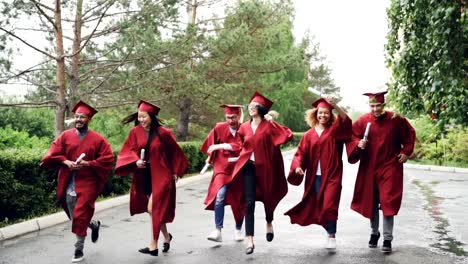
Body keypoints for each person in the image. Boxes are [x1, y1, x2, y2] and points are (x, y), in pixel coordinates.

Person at [40, 101, 114, 263]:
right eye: (77, 116)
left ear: (89, 119)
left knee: (80, 214)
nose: (79, 119)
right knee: (75, 216)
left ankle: (78, 249)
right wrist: (65, 162)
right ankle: (93, 225)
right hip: (68, 181)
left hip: (87, 182)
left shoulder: (98, 139)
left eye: (83, 117)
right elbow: (53, 153)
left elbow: (108, 158)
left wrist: (88, 164)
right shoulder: (65, 136)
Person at [115, 100, 188, 257]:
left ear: (152, 117)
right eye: (139, 117)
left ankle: (153, 245)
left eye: (144, 117)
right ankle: (167, 237)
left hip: (163, 174)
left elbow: (175, 152)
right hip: (145, 176)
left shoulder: (164, 133)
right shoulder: (135, 132)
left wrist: (175, 171)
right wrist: (135, 161)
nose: (141, 120)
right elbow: (128, 150)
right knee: (157, 209)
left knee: (152, 208)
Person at [346, 91, 415, 253]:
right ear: (369, 105)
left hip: (390, 166)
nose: (375, 109)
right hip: (369, 167)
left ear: (384, 105)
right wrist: (358, 144)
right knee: (371, 200)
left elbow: (409, 135)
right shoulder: (363, 121)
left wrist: (406, 151)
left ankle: (387, 238)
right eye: (372, 106)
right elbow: (351, 136)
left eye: (378, 106)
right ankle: (374, 233)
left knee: (387, 201)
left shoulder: (395, 119)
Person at [229, 91, 293, 255]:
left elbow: (287, 135)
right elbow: (240, 145)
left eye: (254, 106)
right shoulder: (244, 127)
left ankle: (269, 222)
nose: (251, 108)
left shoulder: (269, 125)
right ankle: (250, 239)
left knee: (268, 198)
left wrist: (274, 123)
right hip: (249, 167)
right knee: (249, 203)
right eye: (249, 106)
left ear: (261, 108)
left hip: (266, 168)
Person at [284, 96, 351, 252]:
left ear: (330, 114)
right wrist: (298, 167)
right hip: (315, 176)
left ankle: (331, 235)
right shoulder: (308, 135)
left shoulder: (335, 131)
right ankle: (328, 229)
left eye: (326, 113)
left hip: (333, 175)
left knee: (330, 205)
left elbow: (346, 121)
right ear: (315, 114)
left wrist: (336, 106)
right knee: (320, 205)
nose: (323, 116)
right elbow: (300, 153)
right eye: (320, 113)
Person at [201, 104, 245, 243]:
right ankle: (217, 230)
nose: (231, 120)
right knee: (220, 195)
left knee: (238, 199)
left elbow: (243, 146)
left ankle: (238, 229)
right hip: (222, 167)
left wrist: (221, 146)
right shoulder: (219, 127)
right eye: (228, 117)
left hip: (238, 169)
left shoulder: (244, 128)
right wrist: (211, 155)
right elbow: (210, 144)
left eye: (233, 117)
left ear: (238, 116)